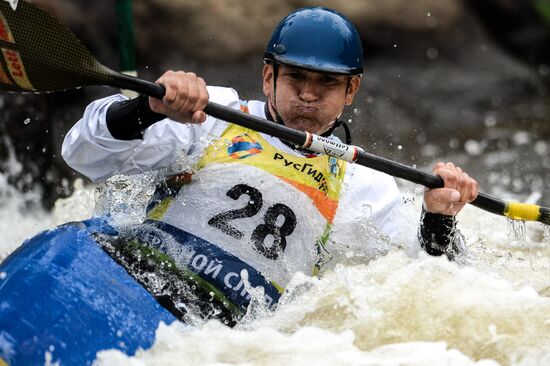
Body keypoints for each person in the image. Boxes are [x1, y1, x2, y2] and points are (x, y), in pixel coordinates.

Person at [62, 7, 478, 325]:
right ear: (268, 77)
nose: (309, 95)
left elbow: (428, 287)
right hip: (137, 275)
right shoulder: (212, 114)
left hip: (222, 328)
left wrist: (439, 218)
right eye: (296, 77)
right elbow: (82, 154)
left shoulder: (363, 182)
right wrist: (146, 109)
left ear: (351, 90)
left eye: (327, 83)